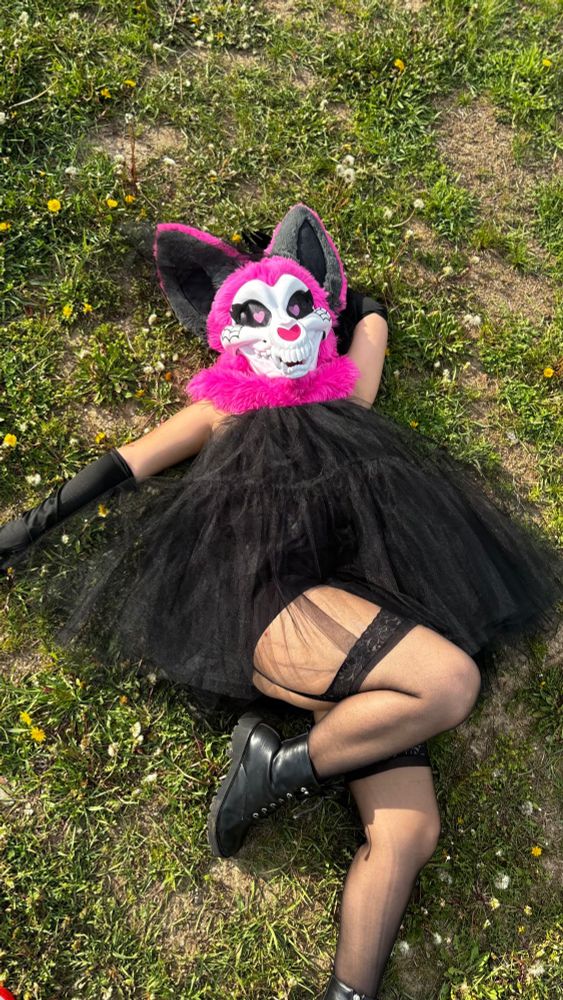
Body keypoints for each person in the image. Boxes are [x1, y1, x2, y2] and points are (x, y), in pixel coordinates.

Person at [1, 204, 562, 1000]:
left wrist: (351, 301)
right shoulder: (225, 407)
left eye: (300, 307)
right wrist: (20, 532)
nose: (287, 328)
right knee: (448, 684)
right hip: (273, 608)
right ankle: (272, 768)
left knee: (409, 832)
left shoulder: (347, 396)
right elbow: (123, 466)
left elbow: (370, 323)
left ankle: (346, 989)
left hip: (367, 632)